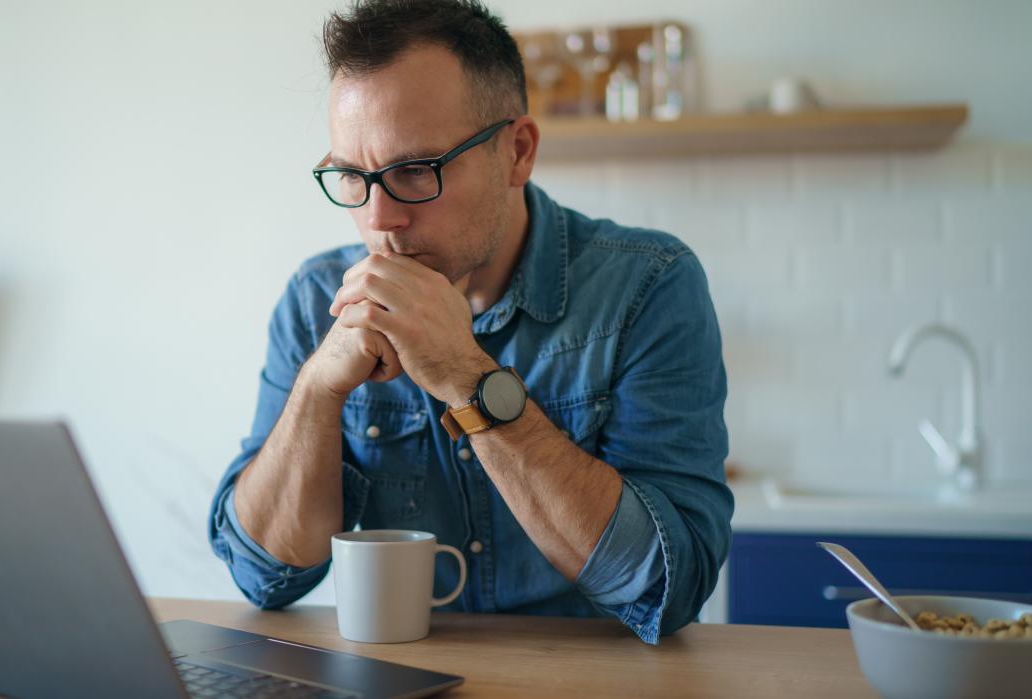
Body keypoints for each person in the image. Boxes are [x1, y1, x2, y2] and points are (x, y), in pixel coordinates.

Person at [208, 0, 731, 644]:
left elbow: (667, 585)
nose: (379, 220)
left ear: (517, 152)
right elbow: (263, 576)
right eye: (352, 176)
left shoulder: (648, 285)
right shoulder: (317, 295)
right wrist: (317, 391)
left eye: (414, 170)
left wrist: (466, 376)